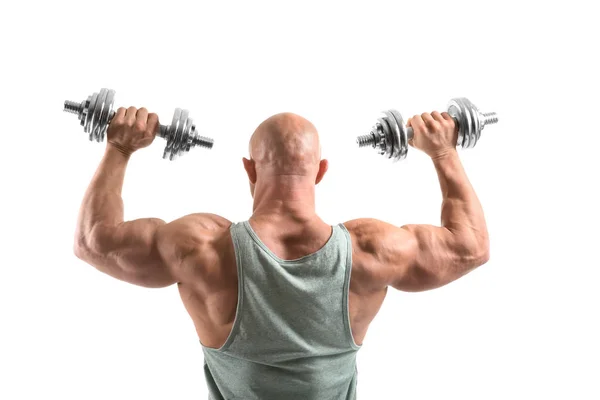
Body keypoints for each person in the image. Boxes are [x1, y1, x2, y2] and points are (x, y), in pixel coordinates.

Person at [74, 106, 490, 400]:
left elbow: (93, 241)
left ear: (249, 169)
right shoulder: (371, 250)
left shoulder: (200, 247)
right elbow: (469, 247)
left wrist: (120, 148)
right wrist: (443, 152)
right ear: (321, 171)